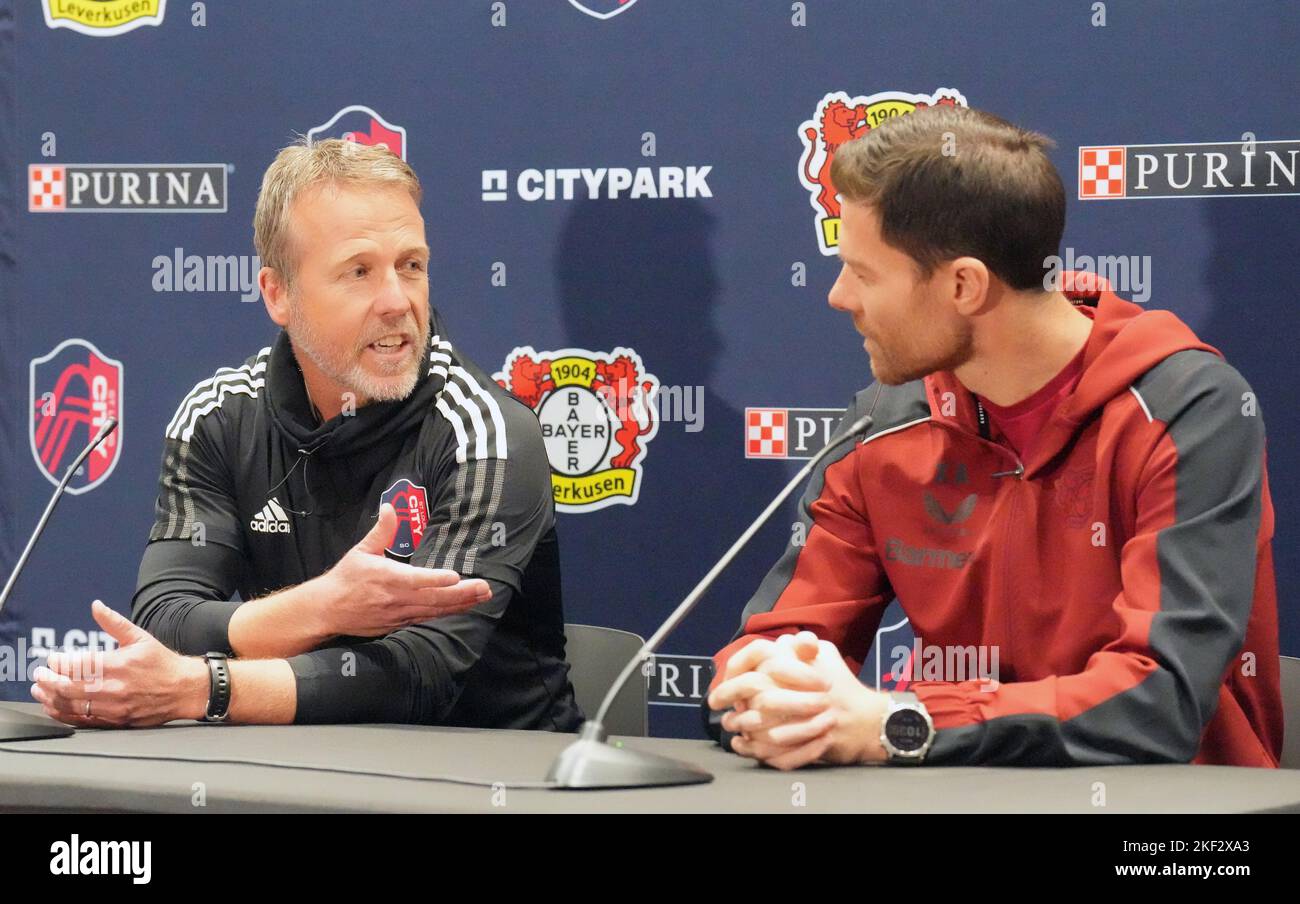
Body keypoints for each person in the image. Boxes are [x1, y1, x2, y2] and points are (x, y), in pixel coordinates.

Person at [705, 106, 1282, 769]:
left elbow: (1160, 701)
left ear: (964, 285)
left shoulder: (1188, 412)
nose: (838, 296)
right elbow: (770, 650)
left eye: (863, 273)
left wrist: (904, 722)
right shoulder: (883, 424)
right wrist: (764, 697)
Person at [31, 139, 583, 732]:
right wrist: (323, 606)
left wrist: (206, 688)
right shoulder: (218, 419)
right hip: (295, 771)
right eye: (359, 272)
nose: (398, 301)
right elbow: (166, 619)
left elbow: (420, 675)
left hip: (492, 781)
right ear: (278, 294)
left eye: (411, 265)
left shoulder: (489, 435)